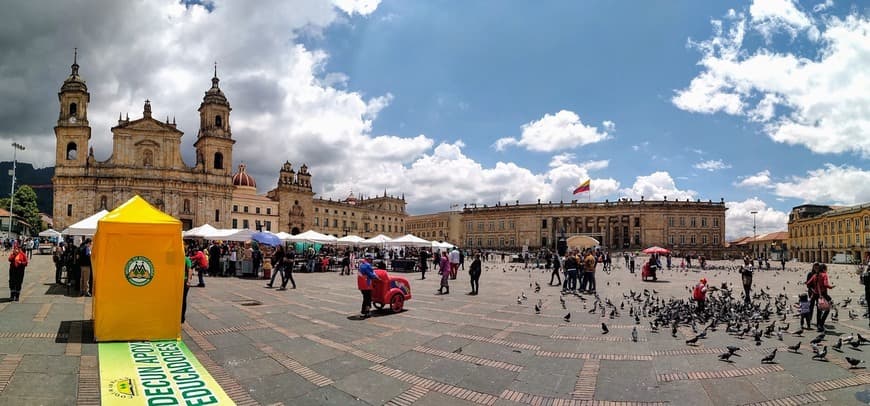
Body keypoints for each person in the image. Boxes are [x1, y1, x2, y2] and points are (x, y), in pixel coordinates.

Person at [807, 263, 834, 332]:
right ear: (824, 269)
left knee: (819, 310)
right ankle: (820, 324)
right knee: (827, 309)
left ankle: (819, 326)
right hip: (822, 294)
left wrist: (813, 290)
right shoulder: (824, 275)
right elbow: (825, 284)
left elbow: (808, 283)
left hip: (815, 295)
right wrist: (831, 287)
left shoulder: (815, 275)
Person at [181, 252, 193, 323]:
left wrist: (188, 281)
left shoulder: (186, 259)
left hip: (184, 281)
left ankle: (182, 317)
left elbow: (189, 270)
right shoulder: (176, 259)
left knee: (183, 299)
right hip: (177, 282)